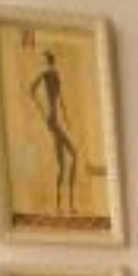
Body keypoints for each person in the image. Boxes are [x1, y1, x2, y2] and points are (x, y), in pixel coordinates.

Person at [29, 49, 79, 214]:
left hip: (55, 119)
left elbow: (60, 98)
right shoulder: (48, 72)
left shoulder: (53, 73)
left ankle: (62, 205)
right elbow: (32, 89)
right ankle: (67, 204)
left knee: (63, 164)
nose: (45, 64)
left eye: (45, 60)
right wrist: (43, 111)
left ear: (49, 60)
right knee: (73, 156)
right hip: (53, 120)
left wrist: (65, 117)